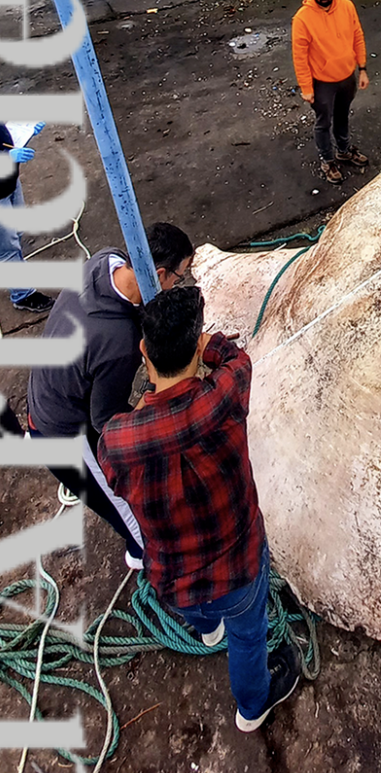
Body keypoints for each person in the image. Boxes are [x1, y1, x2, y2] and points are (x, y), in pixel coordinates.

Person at [97, 287, 299, 732]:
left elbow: (113, 476)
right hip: (239, 567)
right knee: (248, 637)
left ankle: (207, 631)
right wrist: (208, 344)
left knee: (201, 612)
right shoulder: (223, 398)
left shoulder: (118, 439)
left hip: (174, 577)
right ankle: (252, 707)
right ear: (196, 351)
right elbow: (238, 360)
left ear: (143, 351)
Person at [27, 223, 194, 569]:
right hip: (63, 431)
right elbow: (106, 421)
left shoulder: (106, 260)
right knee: (123, 504)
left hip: (47, 386)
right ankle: (146, 557)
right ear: (159, 274)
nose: (180, 284)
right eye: (179, 277)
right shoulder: (119, 342)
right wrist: (155, 401)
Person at [292, 0, 370, 185]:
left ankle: (344, 151)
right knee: (323, 122)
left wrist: (362, 68)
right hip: (322, 83)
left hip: (347, 77)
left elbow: (358, 37)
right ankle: (327, 160)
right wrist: (306, 87)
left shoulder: (347, 7)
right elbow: (300, 57)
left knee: (343, 115)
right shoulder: (302, 19)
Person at [1, 121, 55, 313]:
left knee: (16, 234)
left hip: (9, 183)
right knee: (7, 249)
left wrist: (26, 131)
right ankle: (23, 295)